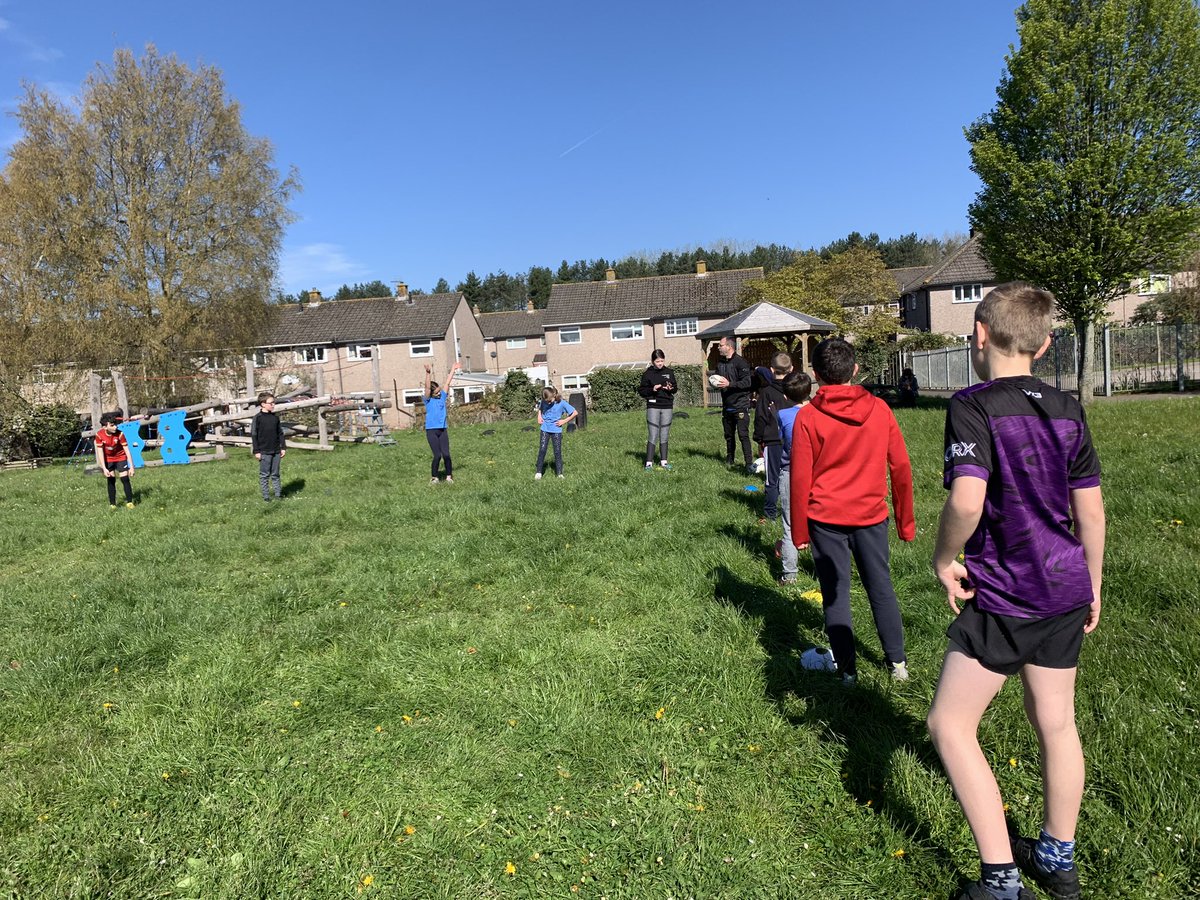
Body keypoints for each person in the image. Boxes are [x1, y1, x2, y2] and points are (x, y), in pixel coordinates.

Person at [927, 283, 1105, 900]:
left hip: (1007, 593)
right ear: (1046, 343)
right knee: (1056, 722)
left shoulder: (972, 404)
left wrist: (944, 557)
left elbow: (966, 499)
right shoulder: (1068, 406)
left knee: (949, 724)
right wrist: (1094, 584)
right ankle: (1057, 857)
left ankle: (1002, 880)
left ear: (979, 334)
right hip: (1064, 587)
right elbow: (1093, 514)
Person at [789, 337, 915, 683]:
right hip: (870, 516)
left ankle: (847, 672)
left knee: (835, 592)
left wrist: (799, 531)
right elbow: (901, 467)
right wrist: (906, 523)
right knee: (881, 587)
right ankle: (898, 664)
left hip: (825, 518)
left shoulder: (808, 418)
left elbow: (800, 479)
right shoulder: (880, 410)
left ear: (815, 374)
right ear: (855, 370)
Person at [774, 372, 813, 585]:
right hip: (816, 474)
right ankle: (825, 569)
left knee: (789, 524)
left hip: (790, 472)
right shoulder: (818, 413)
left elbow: (782, 438)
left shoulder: (783, 414)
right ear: (810, 391)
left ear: (786, 396)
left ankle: (790, 575)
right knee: (819, 523)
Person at [753, 352, 795, 522]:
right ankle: (794, 510)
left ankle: (770, 513)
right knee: (793, 475)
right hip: (794, 439)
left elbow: (760, 416)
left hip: (772, 440)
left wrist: (758, 437)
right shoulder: (796, 389)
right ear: (791, 369)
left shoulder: (767, 392)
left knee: (772, 478)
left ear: (771, 370)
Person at [710, 335, 754, 472]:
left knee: (743, 435)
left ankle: (748, 463)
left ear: (729, 346)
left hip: (740, 404)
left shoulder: (741, 363)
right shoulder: (720, 364)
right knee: (729, 435)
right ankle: (730, 459)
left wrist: (730, 384)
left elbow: (747, 382)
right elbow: (716, 381)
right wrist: (716, 385)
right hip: (727, 405)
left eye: (720, 345)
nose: (718, 348)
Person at [637, 349, 676, 470]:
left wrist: (671, 388)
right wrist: (652, 389)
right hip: (653, 406)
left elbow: (675, 388)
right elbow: (642, 391)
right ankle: (648, 463)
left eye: (662, 361)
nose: (660, 363)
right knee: (653, 434)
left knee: (664, 434)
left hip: (667, 405)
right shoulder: (647, 374)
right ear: (653, 361)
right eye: (657, 361)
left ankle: (664, 461)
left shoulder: (669, 372)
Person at [423, 361, 461, 484]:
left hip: (443, 429)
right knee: (437, 455)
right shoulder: (427, 400)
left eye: (439, 391)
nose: (439, 393)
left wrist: (453, 369)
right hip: (431, 431)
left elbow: (447, 382)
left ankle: (449, 477)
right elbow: (427, 388)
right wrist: (428, 373)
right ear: (431, 394)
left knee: (446, 455)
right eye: (437, 392)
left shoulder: (442, 397)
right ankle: (435, 478)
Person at [534, 386, 578, 479]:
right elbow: (541, 408)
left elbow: (575, 413)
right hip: (545, 429)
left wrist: (564, 421)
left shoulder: (562, 403)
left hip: (556, 430)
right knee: (542, 450)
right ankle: (538, 472)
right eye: (546, 401)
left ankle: (559, 473)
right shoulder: (544, 401)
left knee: (557, 451)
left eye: (550, 401)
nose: (548, 403)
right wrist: (539, 416)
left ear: (554, 395)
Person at [94, 412, 135, 509]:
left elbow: (127, 451)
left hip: (121, 457)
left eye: (116, 424)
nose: (115, 427)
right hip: (108, 459)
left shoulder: (120, 434)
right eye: (112, 425)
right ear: (105, 427)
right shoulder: (99, 435)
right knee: (111, 480)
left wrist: (132, 467)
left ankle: (129, 502)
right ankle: (112, 504)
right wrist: (104, 468)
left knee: (125, 479)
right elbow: (100, 452)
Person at [251, 393, 286, 502]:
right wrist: (257, 451)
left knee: (275, 474)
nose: (273, 405)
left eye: (273, 402)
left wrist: (283, 447)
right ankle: (266, 497)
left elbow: (280, 433)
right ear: (263, 404)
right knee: (265, 475)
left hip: (276, 450)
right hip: (264, 451)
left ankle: (278, 494)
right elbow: (254, 434)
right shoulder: (258, 418)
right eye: (271, 403)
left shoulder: (275, 417)